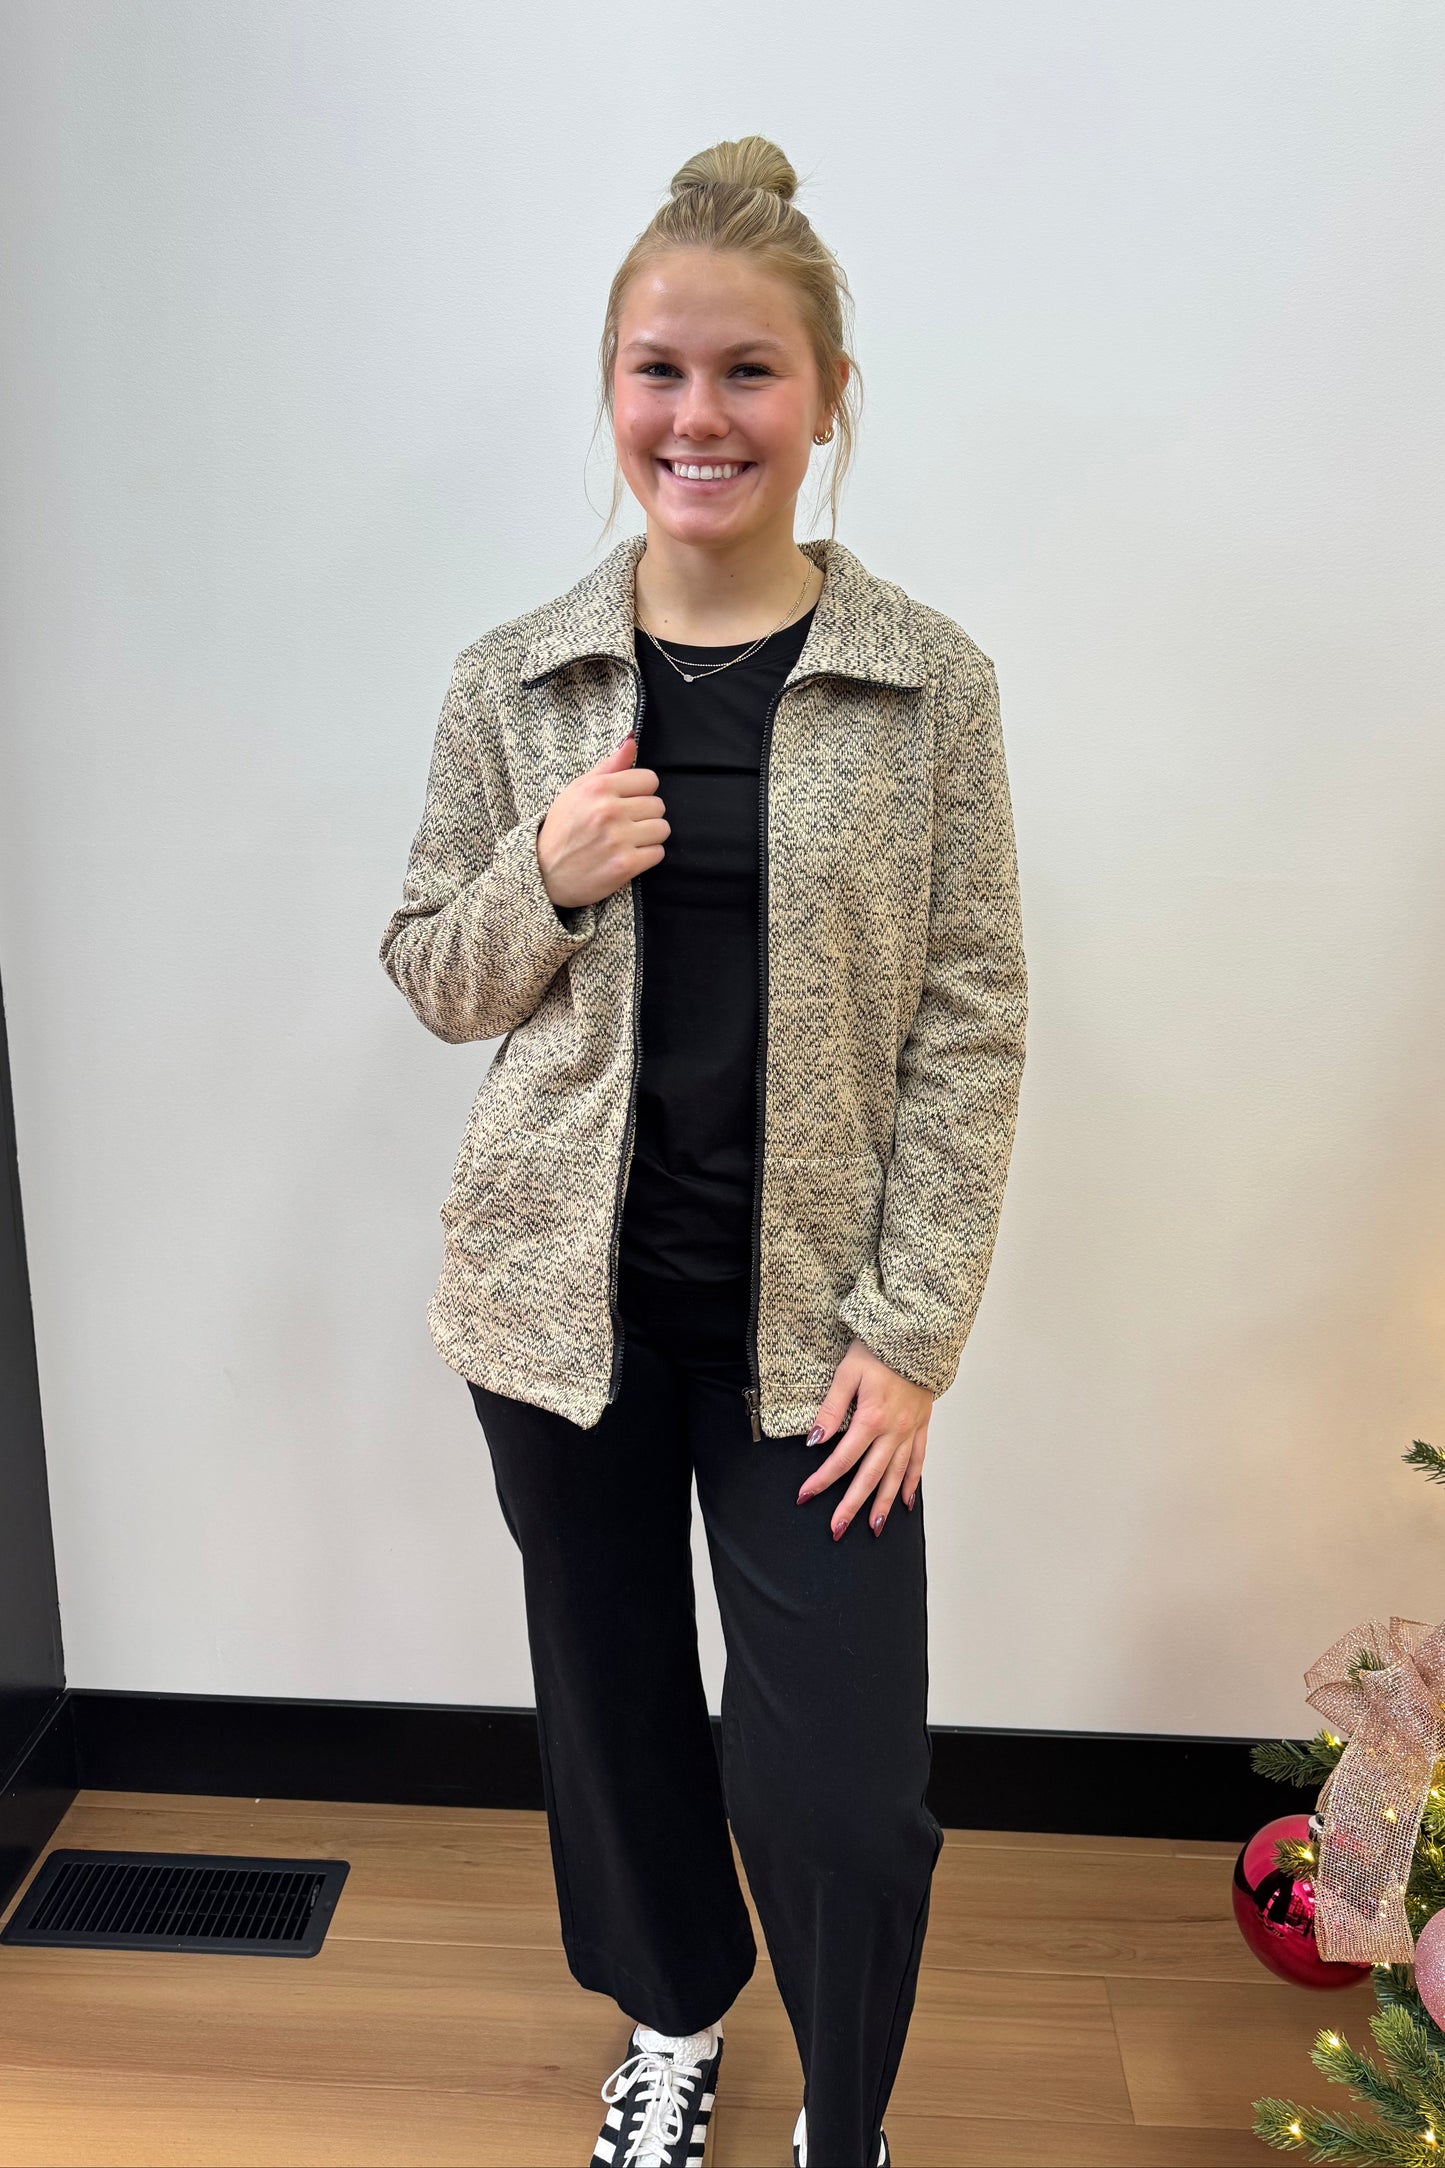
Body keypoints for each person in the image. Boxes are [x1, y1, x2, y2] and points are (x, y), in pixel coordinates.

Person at [379, 134, 1028, 2168]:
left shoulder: (929, 685)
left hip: (816, 1335)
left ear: (824, 396)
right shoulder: (519, 679)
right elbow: (432, 971)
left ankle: (849, 2112)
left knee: (842, 1780)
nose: (700, 416)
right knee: (619, 1714)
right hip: (557, 1318)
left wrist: (913, 1330)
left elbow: (972, 1019)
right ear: (611, 390)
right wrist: (547, 874)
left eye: (748, 371)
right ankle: (670, 2019)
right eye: (659, 370)